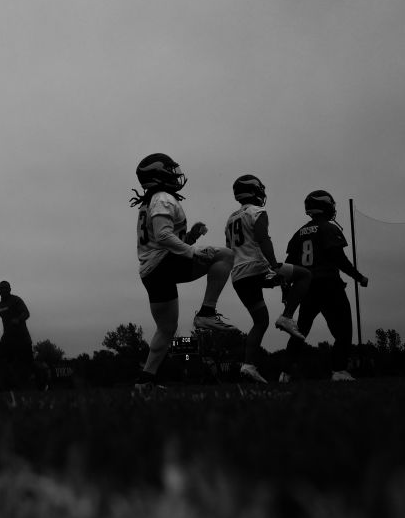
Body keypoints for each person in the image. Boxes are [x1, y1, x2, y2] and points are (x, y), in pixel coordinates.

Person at [131, 153, 242, 395]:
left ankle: (144, 382)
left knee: (166, 329)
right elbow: (162, 236)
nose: (175, 174)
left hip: (152, 271)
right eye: (170, 170)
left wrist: (190, 238)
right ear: (159, 174)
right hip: (164, 264)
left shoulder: (150, 201)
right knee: (225, 255)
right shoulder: (162, 198)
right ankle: (207, 312)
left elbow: (162, 239)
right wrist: (192, 251)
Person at [223, 174, 311, 384]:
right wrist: (273, 264)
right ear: (255, 191)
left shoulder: (230, 219)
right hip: (257, 268)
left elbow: (229, 249)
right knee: (304, 275)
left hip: (238, 275)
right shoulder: (257, 212)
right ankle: (287, 316)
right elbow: (263, 238)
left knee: (260, 322)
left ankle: (248, 365)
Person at [278, 190, 369, 383]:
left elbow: (288, 267)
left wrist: (286, 291)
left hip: (307, 287)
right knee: (343, 329)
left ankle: (285, 373)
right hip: (328, 284)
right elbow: (339, 258)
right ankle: (338, 370)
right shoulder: (328, 228)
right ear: (326, 206)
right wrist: (358, 276)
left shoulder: (298, 233)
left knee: (300, 331)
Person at [0, 280, 33, 388]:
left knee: (28, 364)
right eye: (1, 288)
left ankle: (38, 378)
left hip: (22, 337)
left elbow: (26, 313)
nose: (3, 290)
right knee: (1, 356)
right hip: (8, 338)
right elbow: (4, 321)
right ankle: (3, 385)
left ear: (10, 289)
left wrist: (18, 319)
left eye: (5, 288)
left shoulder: (16, 300)